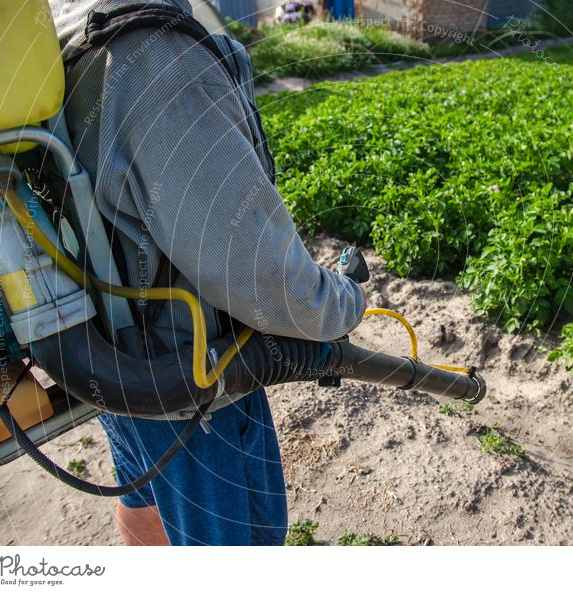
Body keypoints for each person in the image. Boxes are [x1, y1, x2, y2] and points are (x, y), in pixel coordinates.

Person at [48, 0, 365, 545]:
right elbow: (269, 280)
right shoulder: (153, 54)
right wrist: (343, 300)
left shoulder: (70, 21)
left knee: (144, 498)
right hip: (190, 387)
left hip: (111, 359)